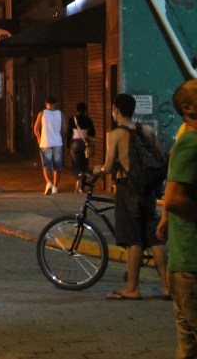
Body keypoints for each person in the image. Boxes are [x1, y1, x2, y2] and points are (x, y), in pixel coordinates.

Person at [91, 92, 168, 300]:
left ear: (115, 109)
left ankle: (132, 288)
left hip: (128, 190)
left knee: (133, 239)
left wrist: (97, 169)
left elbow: (108, 166)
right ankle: (167, 287)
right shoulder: (147, 131)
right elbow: (158, 157)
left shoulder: (115, 134)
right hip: (148, 191)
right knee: (154, 238)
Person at [157, 80, 197, 356]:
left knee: (188, 347)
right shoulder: (191, 143)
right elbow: (172, 198)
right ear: (188, 108)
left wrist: (166, 220)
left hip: (185, 263)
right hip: (192, 265)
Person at [33, 96, 65, 194]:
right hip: (58, 143)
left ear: (47, 104)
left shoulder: (42, 114)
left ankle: (48, 183)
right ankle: (55, 186)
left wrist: (39, 138)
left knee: (46, 165)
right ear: (55, 104)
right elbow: (65, 129)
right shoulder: (61, 114)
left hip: (45, 143)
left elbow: (35, 128)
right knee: (57, 166)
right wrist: (61, 138)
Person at [68, 102, 96, 192]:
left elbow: (69, 134)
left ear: (77, 110)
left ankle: (78, 181)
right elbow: (93, 134)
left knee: (76, 164)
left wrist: (68, 146)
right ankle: (82, 185)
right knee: (84, 164)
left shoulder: (72, 119)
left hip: (75, 143)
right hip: (85, 144)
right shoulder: (88, 120)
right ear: (85, 110)